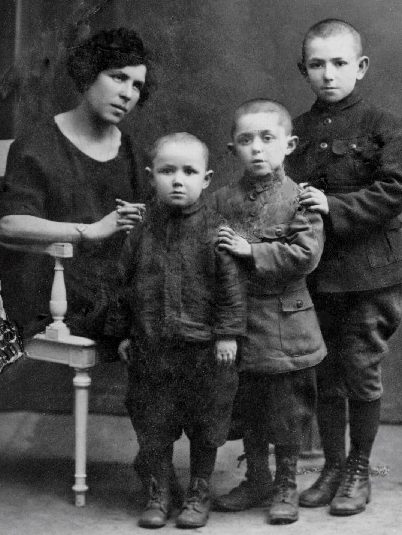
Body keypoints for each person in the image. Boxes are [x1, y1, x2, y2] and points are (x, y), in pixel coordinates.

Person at [287, 19, 402, 516]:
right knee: (325, 374)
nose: (328, 74)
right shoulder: (297, 130)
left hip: (370, 275)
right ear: (304, 69)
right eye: (317, 64)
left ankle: (359, 467)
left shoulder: (384, 125)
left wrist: (334, 207)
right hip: (315, 274)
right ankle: (332, 466)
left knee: (360, 371)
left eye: (339, 63)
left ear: (361, 67)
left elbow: (396, 189)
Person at [105, 132, 246, 529]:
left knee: (206, 424)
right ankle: (160, 490)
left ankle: (199, 491)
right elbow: (124, 284)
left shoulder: (216, 231)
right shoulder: (142, 231)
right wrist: (124, 333)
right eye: (168, 171)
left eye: (189, 171)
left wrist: (227, 334)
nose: (178, 180)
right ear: (152, 177)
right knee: (153, 422)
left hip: (205, 351)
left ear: (207, 178)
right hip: (153, 348)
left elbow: (230, 289)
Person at [212, 99, 326, 524]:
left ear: (290, 144)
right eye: (246, 140)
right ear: (232, 149)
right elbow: (211, 258)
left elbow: (304, 255)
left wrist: (250, 250)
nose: (257, 148)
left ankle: (286, 486)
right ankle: (257, 478)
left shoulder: (303, 199)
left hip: (286, 325)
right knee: (249, 408)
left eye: (267, 138)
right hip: (239, 324)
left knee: (288, 414)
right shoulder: (222, 201)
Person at [0, 27, 152, 346]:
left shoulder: (134, 155)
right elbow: (10, 224)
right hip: (53, 303)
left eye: (137, 85)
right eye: (118, 77)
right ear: (89, 75)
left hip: (114, 305)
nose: (128, 93)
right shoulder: (36, 145)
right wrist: (90, 230)